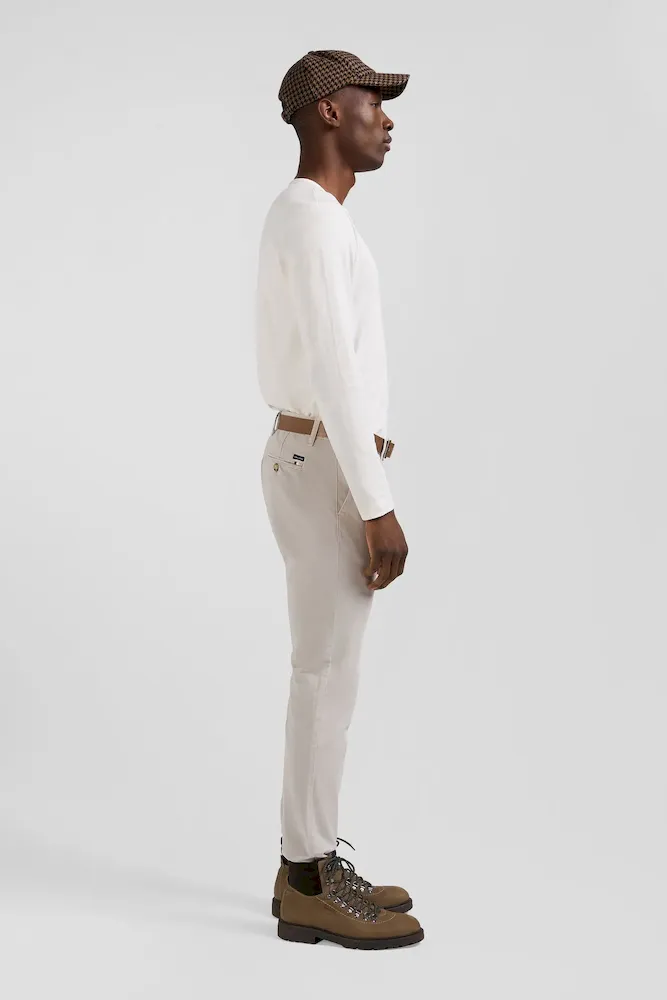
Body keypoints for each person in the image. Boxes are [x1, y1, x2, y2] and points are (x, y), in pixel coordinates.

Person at [254, 49, 423, 950]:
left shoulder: (318, 218)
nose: (386, 119)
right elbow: (332, 369)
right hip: (324, 462)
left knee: (330, 675)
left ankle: (310, 862)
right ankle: (307, 878)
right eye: (371, 102)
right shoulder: (310, 218)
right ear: (327, 110)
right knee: (322, 675)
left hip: (320, 457)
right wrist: (375, 502)